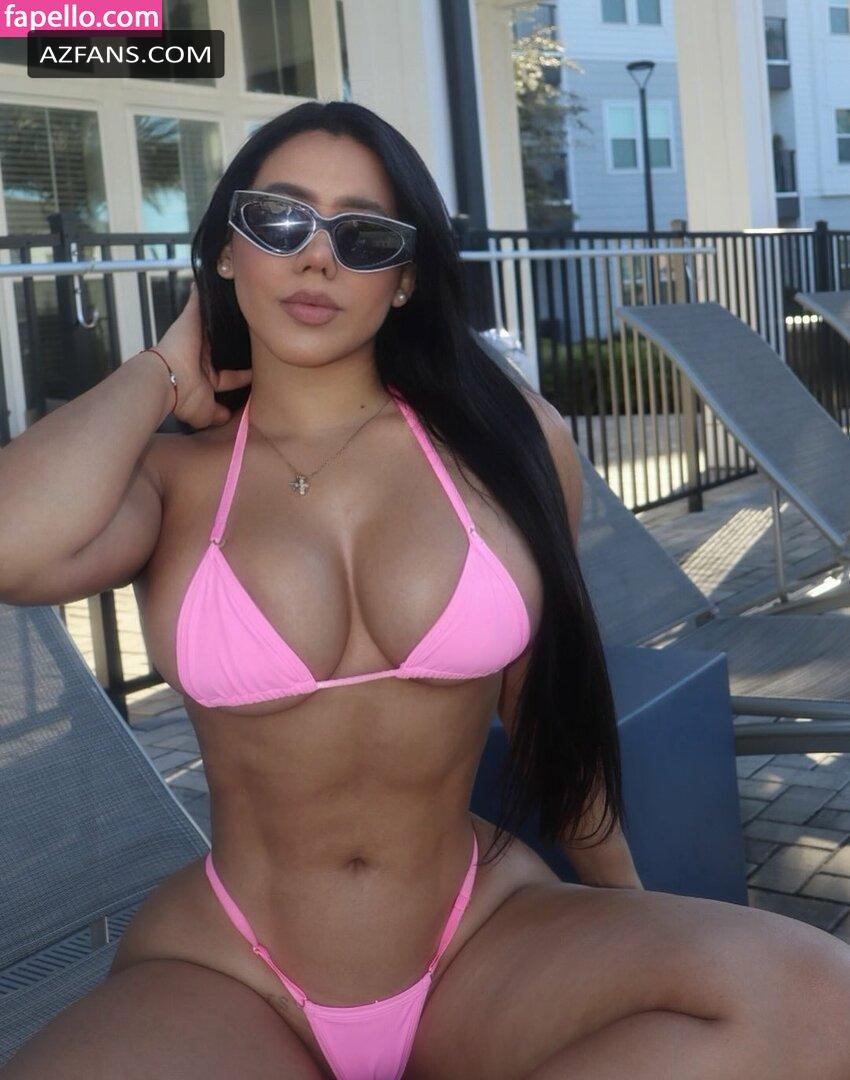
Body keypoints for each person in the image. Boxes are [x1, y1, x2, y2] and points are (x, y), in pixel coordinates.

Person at [3, 99, 850, 1080]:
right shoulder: (173, 479)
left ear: (404, 279)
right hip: (233, 967)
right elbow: (14, 547)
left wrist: (628, 911)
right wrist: (159, 369)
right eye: (278, 220)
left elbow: (546, 711)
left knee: (816, 998)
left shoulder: (504, 446)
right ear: (228, 251)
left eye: (364, 235)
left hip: (474, 937)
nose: (316, 258)